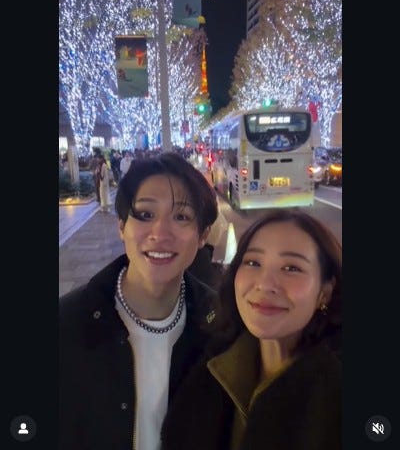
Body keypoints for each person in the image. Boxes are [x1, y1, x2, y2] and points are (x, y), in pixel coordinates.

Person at [59, 152, 219, 450]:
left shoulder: (220, 326)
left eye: (181, 217)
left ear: (202, 236)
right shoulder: (67, 324)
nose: (160, 233)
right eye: (145, 214)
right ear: (122, 226)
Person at [161, 208, 342, 450]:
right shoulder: (210, 365)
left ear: (325, 292)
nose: (265, 284)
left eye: (291, 268)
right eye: (253, 262)